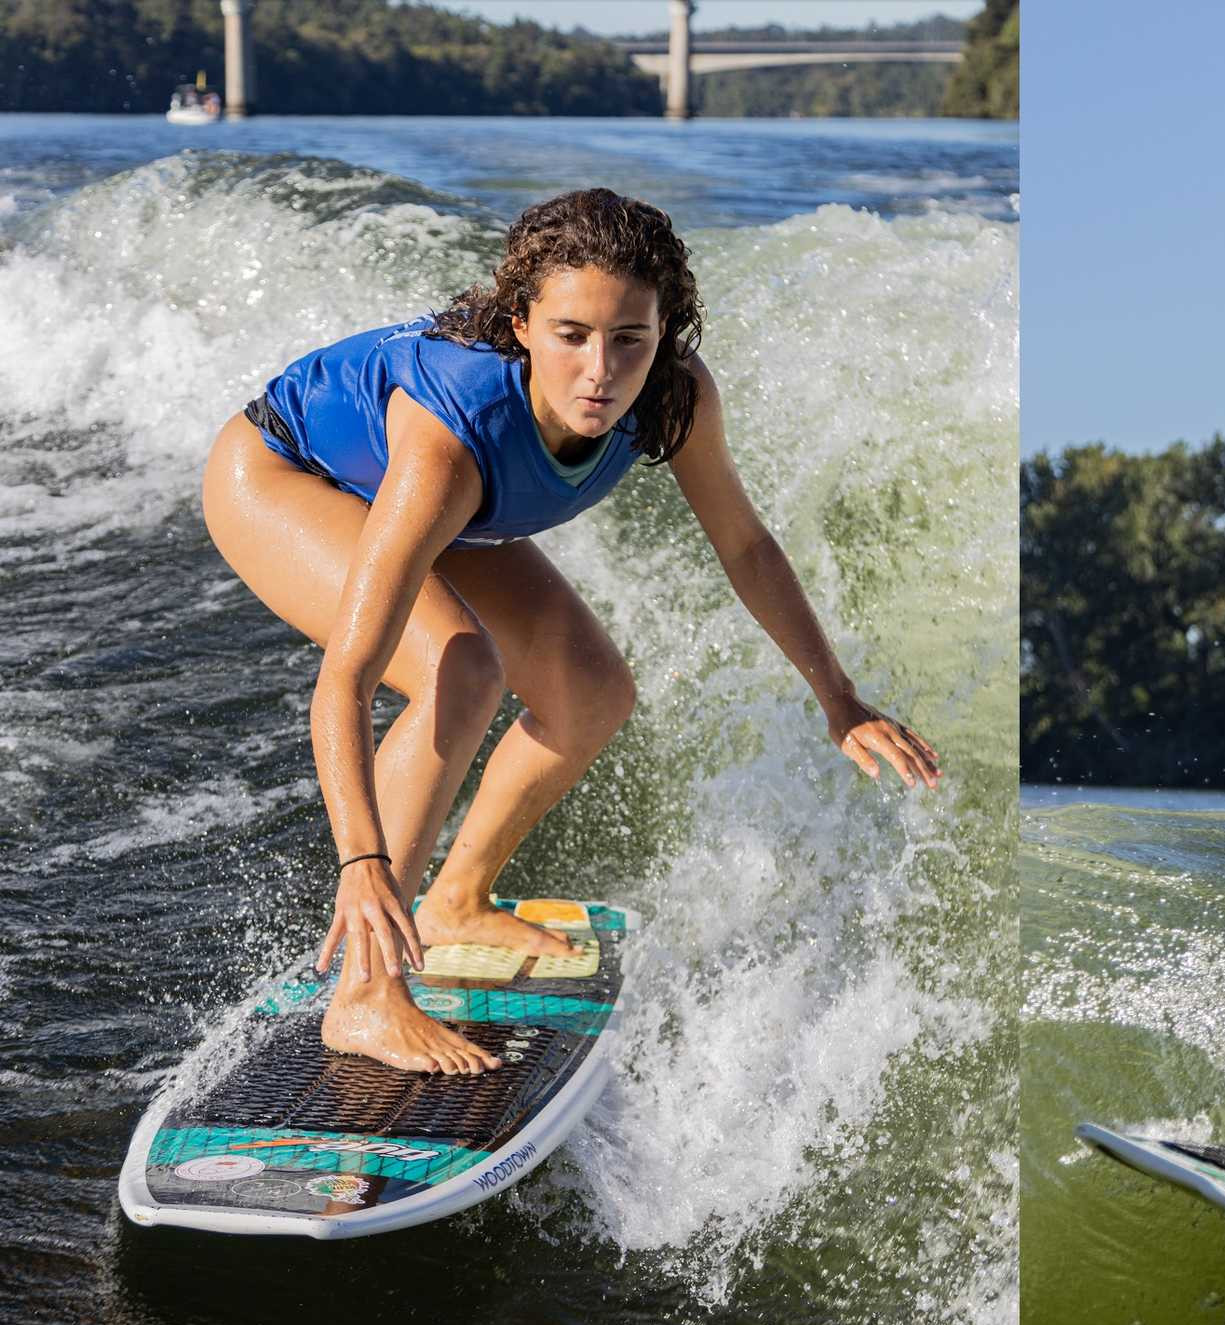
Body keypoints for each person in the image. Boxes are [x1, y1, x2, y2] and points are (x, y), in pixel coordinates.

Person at [202, 188, 939, 1077]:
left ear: (665, 331)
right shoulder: (450, 435)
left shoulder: (673, 399)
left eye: (630, 337)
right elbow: (347, 680)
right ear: (521, 323)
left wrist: (839, 697)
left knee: (591, 692)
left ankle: (456, 900)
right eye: (571, 335)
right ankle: (363, 994)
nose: (601, 370)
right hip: (285, 478)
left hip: (446, 506)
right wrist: (361, 859)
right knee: (462, 668)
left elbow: (743, 544)